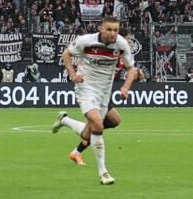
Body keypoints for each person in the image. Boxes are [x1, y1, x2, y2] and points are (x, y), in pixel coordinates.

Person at [51, 15, 140, 186]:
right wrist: (73, 75)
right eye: (109, 29)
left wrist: (126, 88)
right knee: (98, 124)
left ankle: (65, 120)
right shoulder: (86, 41)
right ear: (101, 28)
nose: (112, 33)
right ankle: (103, 172)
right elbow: (66, 55)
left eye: (115, 30)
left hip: (104, 92)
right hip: (86, 87)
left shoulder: (122, 45)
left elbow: (131, 69)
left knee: (91, 130)